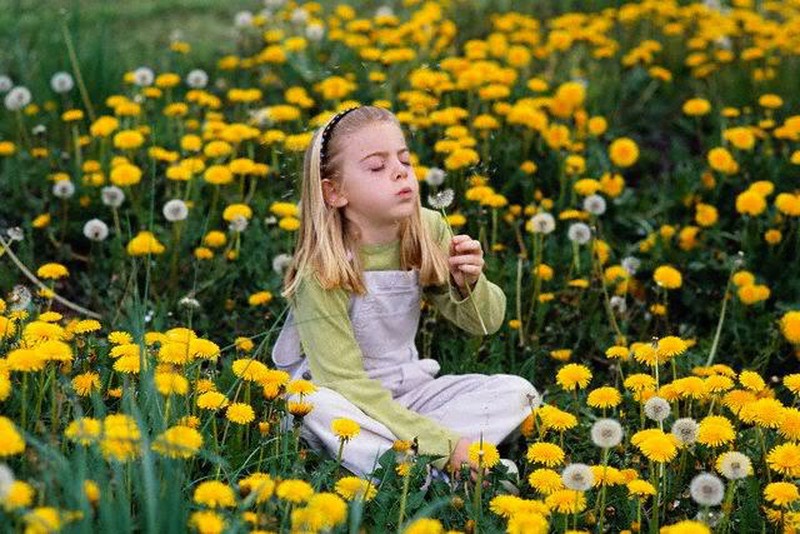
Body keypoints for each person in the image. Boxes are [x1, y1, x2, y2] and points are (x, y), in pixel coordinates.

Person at [271, 105, 540, 480]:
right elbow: (343, 381)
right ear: (334, 192)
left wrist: (471, 284)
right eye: (377, 167)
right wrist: (445, 446)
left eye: (405, 160)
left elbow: (487, 324)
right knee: (309, 404)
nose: (400, 172)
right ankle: (432, 473)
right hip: (343, 400)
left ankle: (402, 460)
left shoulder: (427, 229)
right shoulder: (322, 264)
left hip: (410, 391)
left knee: (520, 393)